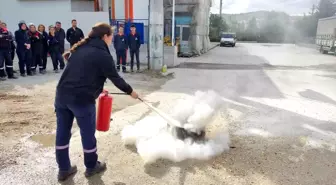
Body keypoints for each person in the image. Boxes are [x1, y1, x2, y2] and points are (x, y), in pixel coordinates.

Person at [55, 23, 139, 181]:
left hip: (61, 96)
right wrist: (131, 92)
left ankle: (63, 169)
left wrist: (95, 85)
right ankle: (92, 166)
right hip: (81, 99)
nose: (112, 38)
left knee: (62, 133)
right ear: (105, 36)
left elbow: (82, 72)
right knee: (87, 134)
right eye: (111, 35)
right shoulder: (103, 55)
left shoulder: (80, 48)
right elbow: (116, 78)